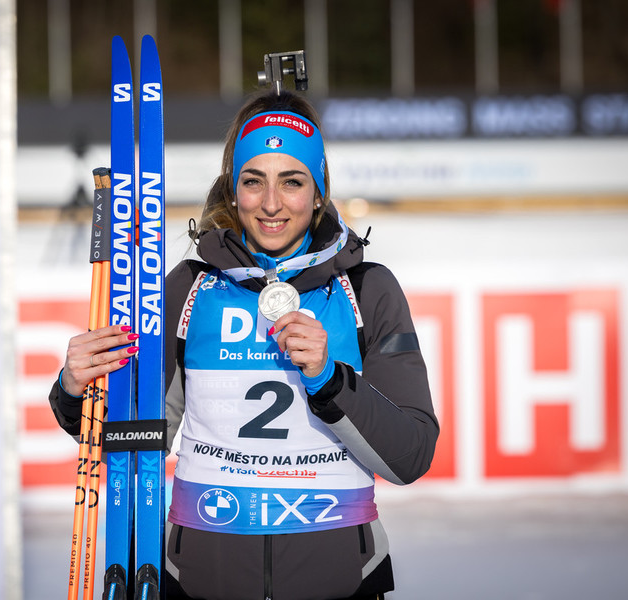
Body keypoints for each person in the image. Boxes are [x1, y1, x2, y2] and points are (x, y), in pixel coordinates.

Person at [49, 89, 438, 600]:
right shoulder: (189, 286)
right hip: (204, 580)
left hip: (340, 580)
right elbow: (134, 446)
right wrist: (78, 392)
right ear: (233, 192)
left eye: (292, 182)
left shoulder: (367, 288)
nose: (271, 204)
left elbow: (410, 455)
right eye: (253, 182)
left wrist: (330, 379)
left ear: (318, 192)